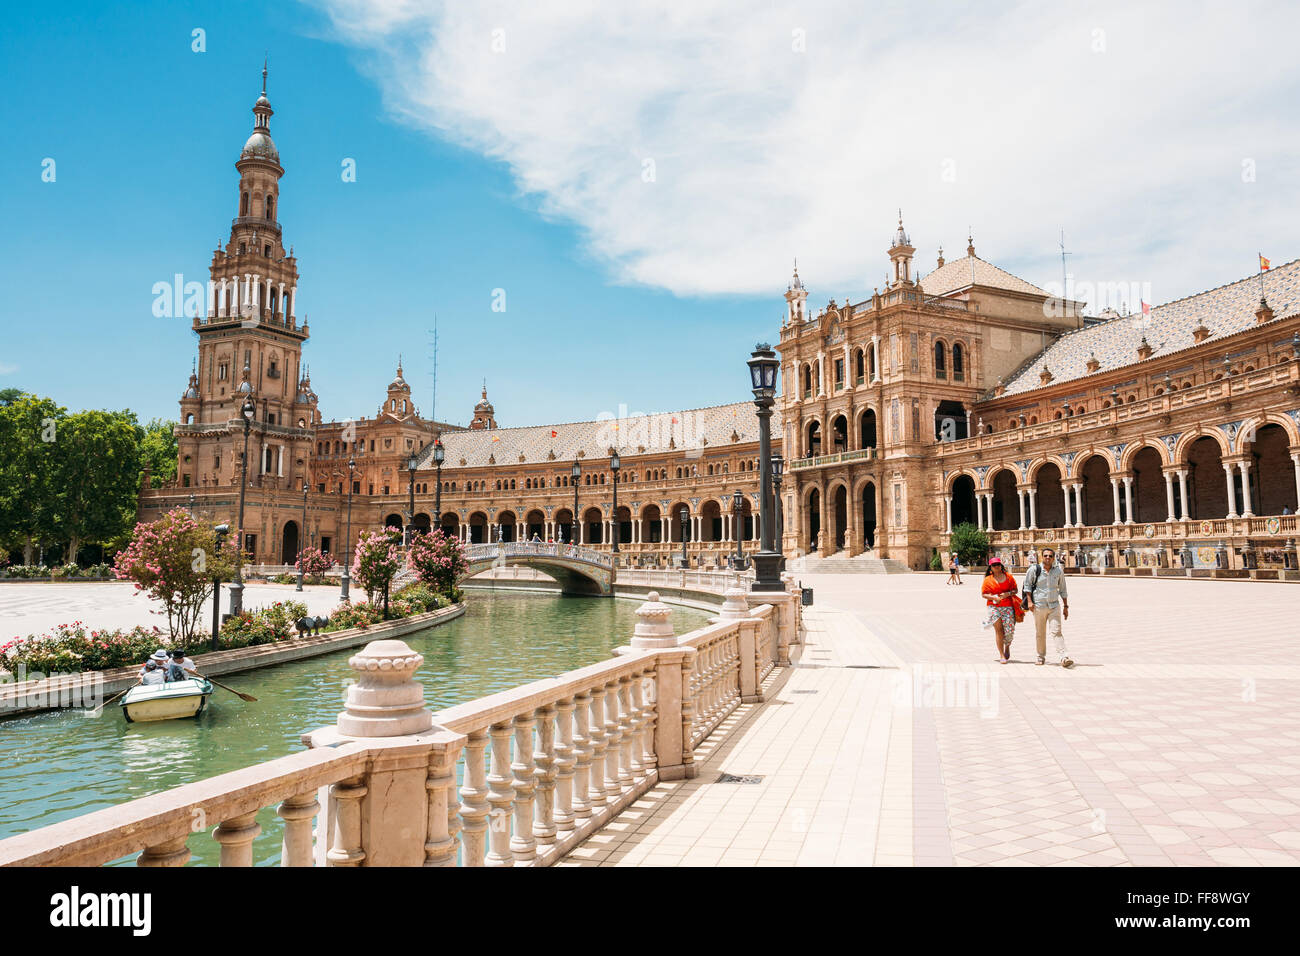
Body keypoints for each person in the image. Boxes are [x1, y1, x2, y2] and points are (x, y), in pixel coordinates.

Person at [1022, 547, 1074, 668]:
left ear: (1053, 557)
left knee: (1056, 631)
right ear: (1042, 556)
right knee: (1040, 633)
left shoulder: (1058, 571)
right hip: (1039, 605)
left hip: (1054, 605)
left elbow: (1063, 589)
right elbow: (1027, 586)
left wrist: (1066, 606)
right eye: (1045, 555)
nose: (1048, 558)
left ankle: (1063, 657)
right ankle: (1040, 656)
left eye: (1050, 556)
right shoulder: (1034, 569)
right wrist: (1029, 602)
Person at [981, 557, 1018, 663]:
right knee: (999, 630)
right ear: (990, 568)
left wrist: (1008, 593)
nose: (996, 566)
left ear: (1001, 566)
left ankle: (1007, 645)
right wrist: (994, 598)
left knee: (1009, 630)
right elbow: (983, 594)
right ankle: (1001, 654)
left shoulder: (1009, 577)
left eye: (998, 564)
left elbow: (1015, 590)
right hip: (994, 607)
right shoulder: (988, 580)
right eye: (994, 565)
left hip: (1007, 606)